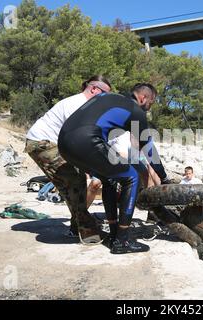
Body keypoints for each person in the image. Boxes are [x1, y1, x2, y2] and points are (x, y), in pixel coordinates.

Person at [58, 83, 164, 254]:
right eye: (151, 102)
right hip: (87, 140)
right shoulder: (135, 110)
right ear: (143, 98)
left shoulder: (108, 97)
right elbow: (148, 148)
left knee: (109, 178)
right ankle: (122, 241)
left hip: (64, 143)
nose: (150, 107)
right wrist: (163, 176)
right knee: (131, 176)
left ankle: (115, 232)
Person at [24, 75, 112, 242]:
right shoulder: (77, 104)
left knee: (73, 183)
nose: (105, 100)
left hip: (51, 144)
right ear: (93, 89)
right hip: (42, 143)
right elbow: (81, 139)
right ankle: (87, 231)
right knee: (74, 182)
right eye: (104, 94)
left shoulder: (84, 105)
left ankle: (77, 226)